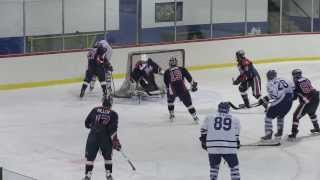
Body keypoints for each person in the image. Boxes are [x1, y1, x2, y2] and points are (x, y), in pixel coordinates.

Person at [200, 102, 241, 180]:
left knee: (214, 168)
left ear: (218, 109)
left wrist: (204, 142)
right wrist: (237, 142)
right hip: (229, 147)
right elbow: (236, 134)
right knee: (234, 167)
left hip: (213, 146)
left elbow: (203, 130)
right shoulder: (235, 119)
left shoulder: (209, 116)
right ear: (228, 109)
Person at [83, 97, 121, 180]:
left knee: (90, 157)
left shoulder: (95, 110)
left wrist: (94, 127)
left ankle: (87, 176)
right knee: (108, 157)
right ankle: (109, 175)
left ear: (102, 102)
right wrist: (115, 141)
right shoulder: (113, 114)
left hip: (93, 136)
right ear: (111, 104)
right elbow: (113, 129)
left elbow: (86, 123)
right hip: (105, 138)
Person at [258, 70, 294, 140]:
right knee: (281, 115)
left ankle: (268, 134)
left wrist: (264, 99)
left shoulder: (270, 83)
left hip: (282, 101)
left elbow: (274, 95)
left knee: (268, 116)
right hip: (289, 102)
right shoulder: (284, 78)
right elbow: (293, 88)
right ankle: (280, 132)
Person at [164, 56, 199, 122]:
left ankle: (171, 114)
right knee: (189, 105)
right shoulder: (182, 69)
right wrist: (193, 85)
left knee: (170, 102)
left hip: (172, 90)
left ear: (169, 63)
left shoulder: (166, 72)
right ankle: (195, 117)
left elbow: (166, 84)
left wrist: (168, 90)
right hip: (183, 90)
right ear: (176, 63)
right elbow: (190, 79)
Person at [288, 69, 320, 139]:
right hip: (316, 97)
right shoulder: (306, 79)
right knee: (311, 112)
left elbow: (295, 97)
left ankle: (294, 132)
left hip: (307, 100)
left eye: (293, 75)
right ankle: (317, 128)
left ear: (295, 75)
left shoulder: (295, 82)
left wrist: (289, 98)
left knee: (296, 116)